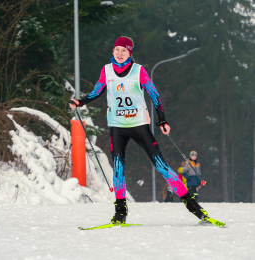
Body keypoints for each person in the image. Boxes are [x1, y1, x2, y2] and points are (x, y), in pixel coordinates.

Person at [69, 36, 209, 223]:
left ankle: (194, 207)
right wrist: (80, 101)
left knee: (162, 166)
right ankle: (120, 212)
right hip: (117, 127)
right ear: (113, 51)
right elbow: (96, 92)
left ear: (129, 53)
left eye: (124, 51)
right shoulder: (107, 70)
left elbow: (154, 94)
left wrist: (162, 121)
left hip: (139, 125)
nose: (119, 54)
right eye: (117, 50)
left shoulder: (138, 71)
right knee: (118, 170)